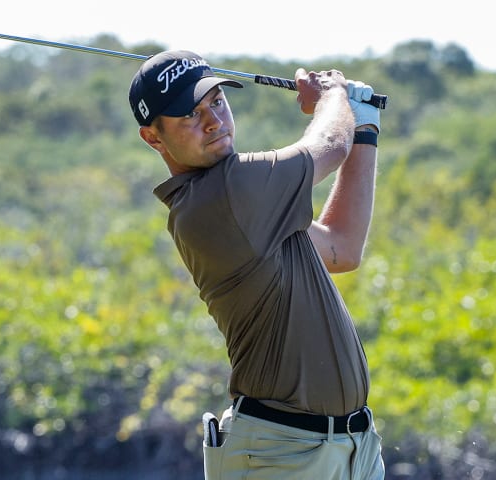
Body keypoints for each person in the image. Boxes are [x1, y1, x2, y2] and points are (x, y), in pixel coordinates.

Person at [128, 50, 384, 480]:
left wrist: (365, 127)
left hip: (350, 450)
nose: (213, 121)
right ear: (153, 138)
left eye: (216, 102)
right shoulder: (229, 193)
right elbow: (329, 144)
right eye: (189, 115)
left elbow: (343, 247)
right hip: (281, 454)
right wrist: (334, 96)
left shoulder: (254, 206)